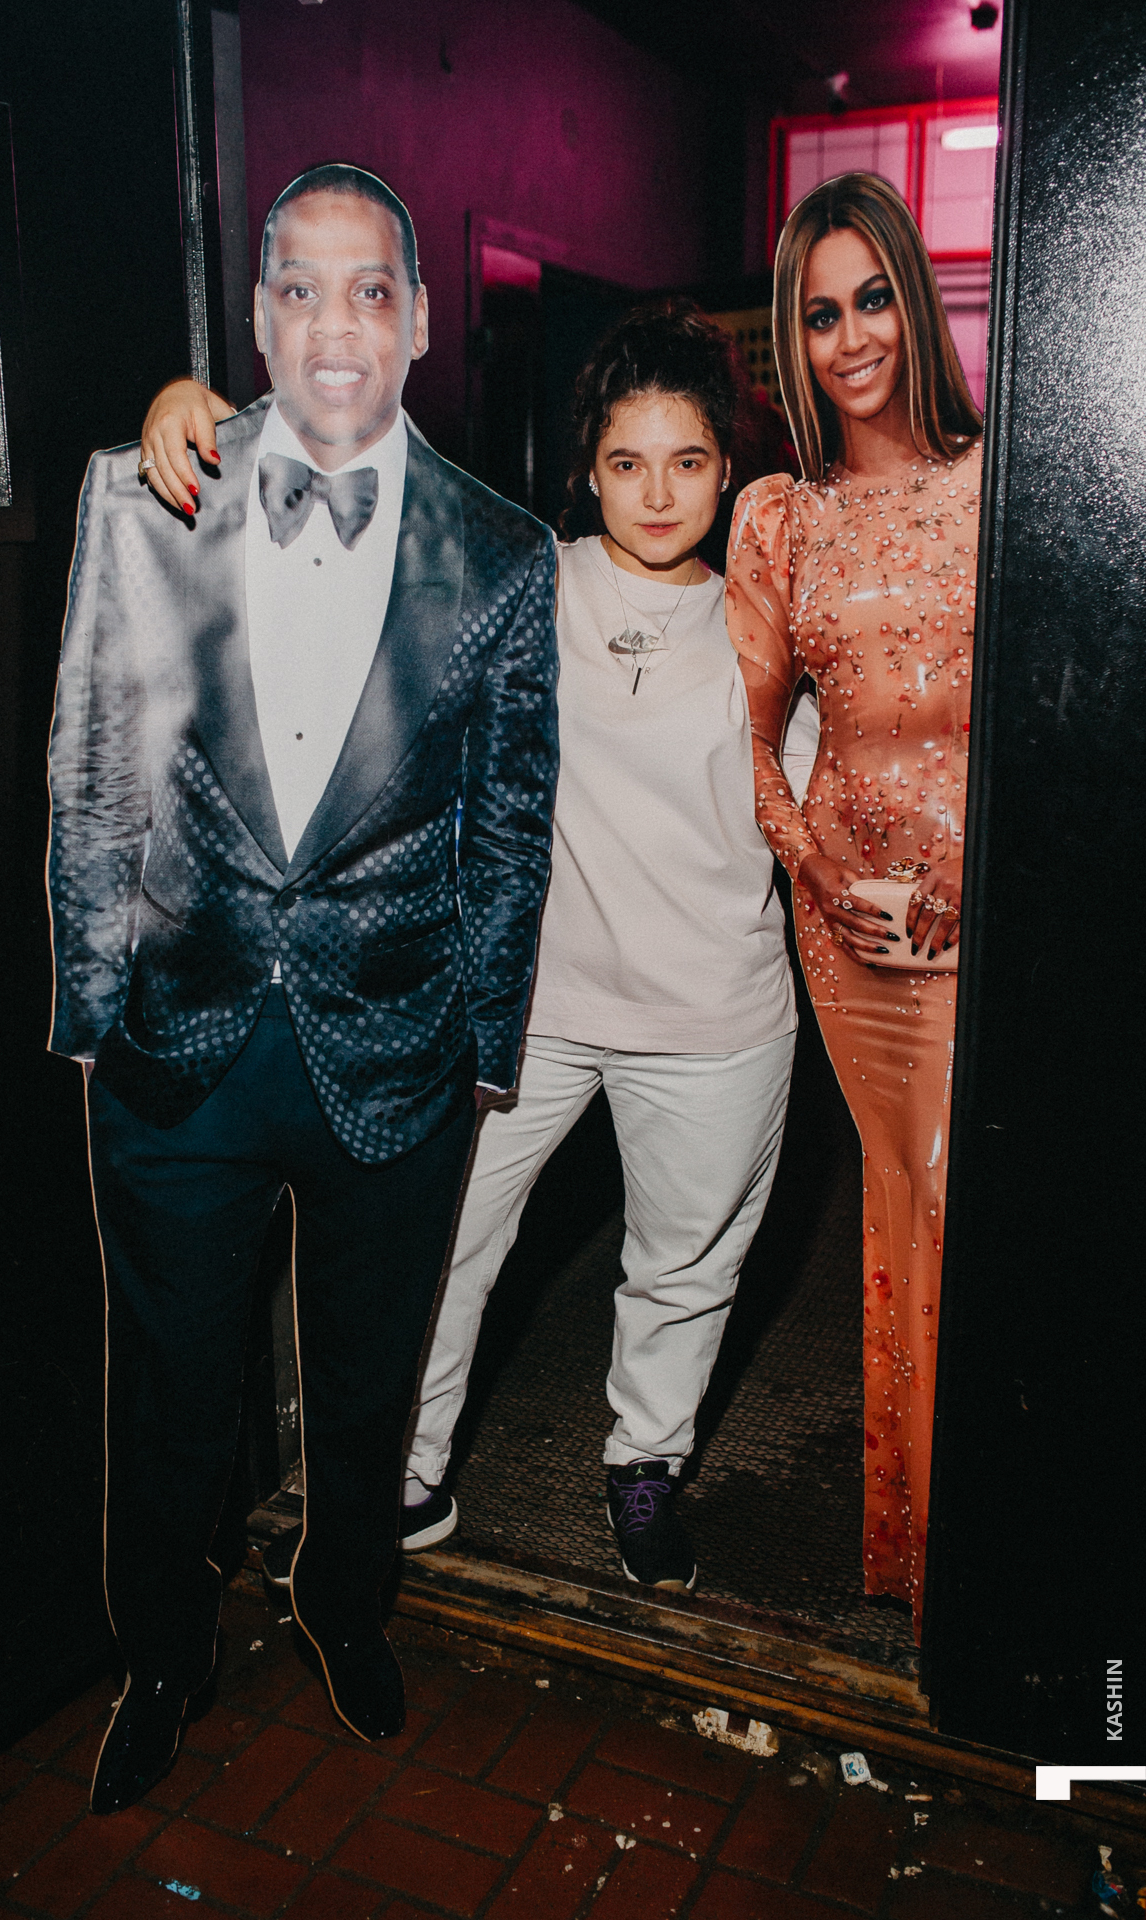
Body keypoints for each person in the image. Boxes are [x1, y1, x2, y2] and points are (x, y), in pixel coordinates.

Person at [146, 300, 806, 1595]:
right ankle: (404, 1472)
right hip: (533, 1005)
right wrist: (205, 410)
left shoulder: (766, 621)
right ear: (587, 471)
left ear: (724, 469)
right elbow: (349, 522)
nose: (656, 492)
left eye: (685, 461)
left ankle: (645, 1466)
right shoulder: (528, 578)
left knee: (682, 1266)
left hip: (716, 1015)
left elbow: (831, 800)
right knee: (439, 1242)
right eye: (626, 461)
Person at [47, 163, 559, 1814]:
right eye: (299, 288)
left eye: (370, 289)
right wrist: (88, 1013)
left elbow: (511, 823)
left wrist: (485, 1046)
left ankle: (343, 1605)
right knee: (169, 1395)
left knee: (363, 1380)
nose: (336, 324)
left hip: (396, 1054)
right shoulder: (145, 497)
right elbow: (92, 770)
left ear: (418, 320)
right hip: (174, 1050)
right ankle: (162, 1653)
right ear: (258, 316)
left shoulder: (506, 553)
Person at [725, 172, 982, 1634]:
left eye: (872, 298)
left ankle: (980, 1558)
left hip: (987, 921)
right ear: (794, 340)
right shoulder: (777, 521)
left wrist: (978, 879)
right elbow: (750, 746)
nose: (851, 337)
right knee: (905, 1198)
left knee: (971, 1201)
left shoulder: (1002, 487)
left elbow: (1061, 720)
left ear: (914, 302)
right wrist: (820, 877)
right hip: (855, 933)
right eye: (819, 316)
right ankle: (921, 1557)